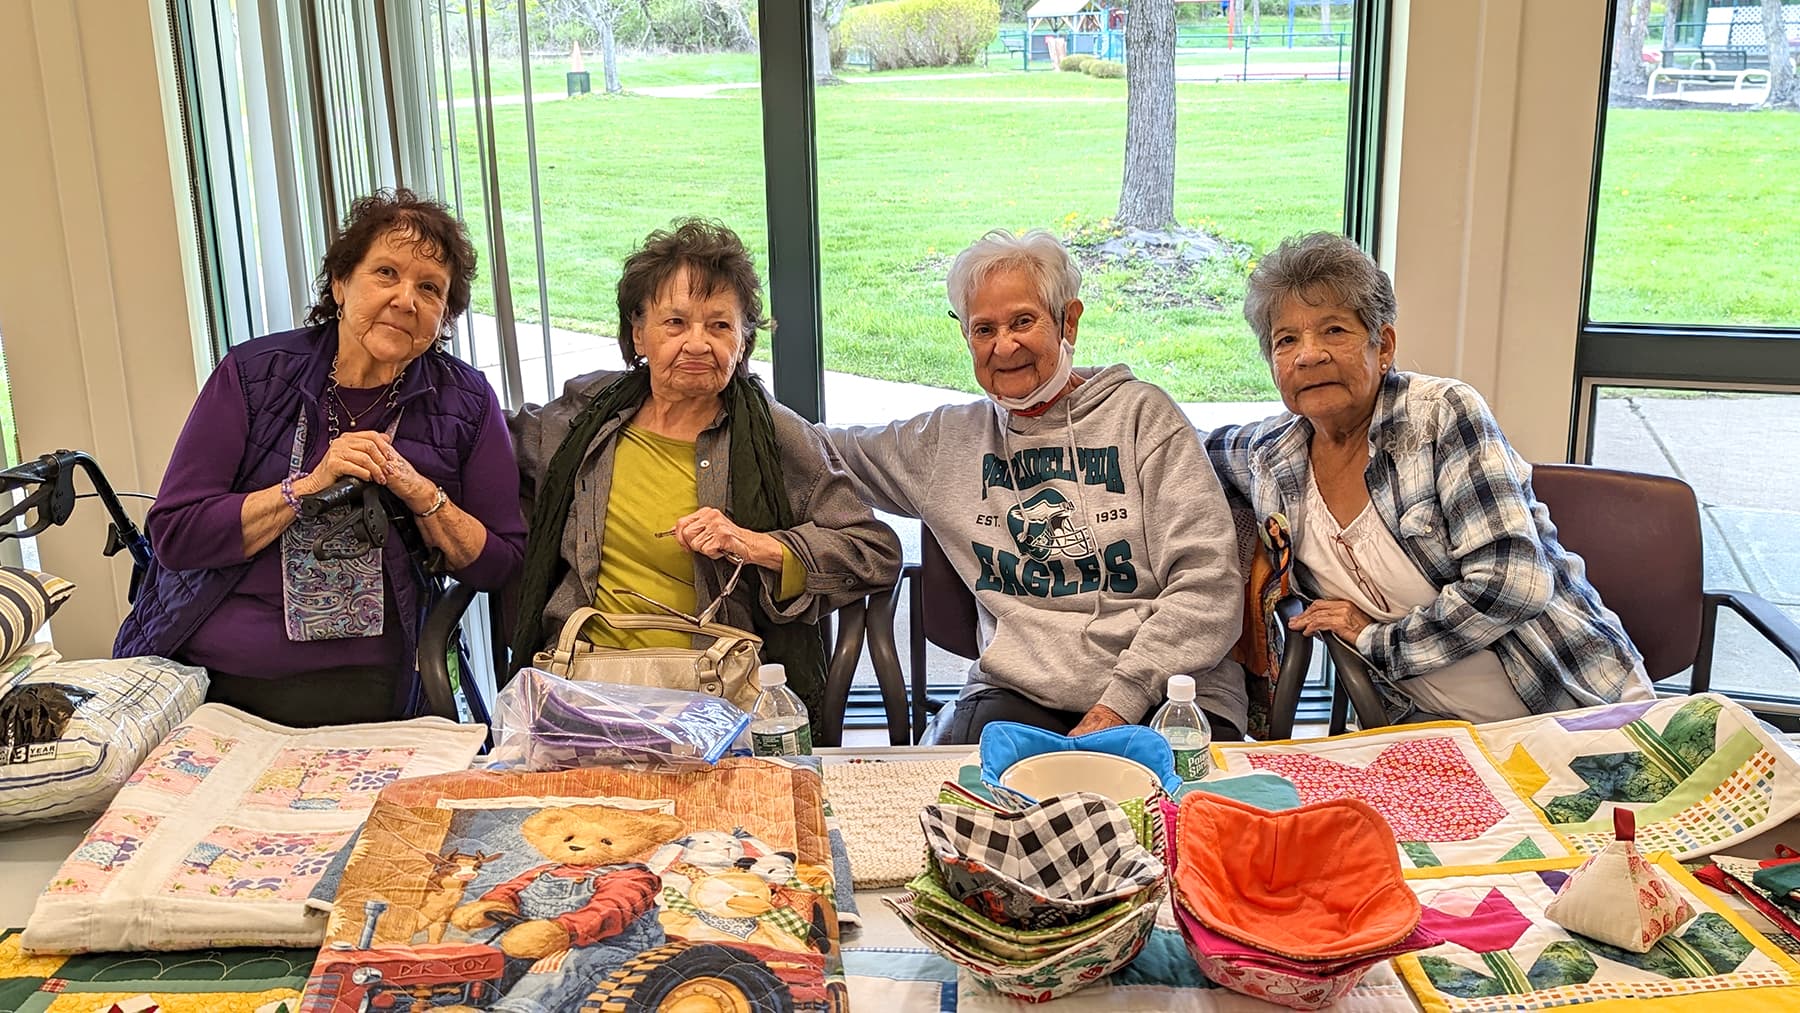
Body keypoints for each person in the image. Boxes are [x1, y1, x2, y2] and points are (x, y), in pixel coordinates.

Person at [115, 188, 527, 725]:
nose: (406, 300)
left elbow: (500, 563)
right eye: (385, 274)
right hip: (218, 679)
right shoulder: (252, 375)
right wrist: (305, 488)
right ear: (339, 284)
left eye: (430, 289)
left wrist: (419, 491)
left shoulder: (466, 402)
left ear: (443, 316)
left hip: (376, 685)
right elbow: (176, 531)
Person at [1206, 231, 1653, 725]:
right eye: (1286, 340)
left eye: (1334, 331)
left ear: (1384, 346)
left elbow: (1513, 583)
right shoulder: (1271, 456)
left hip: (1572, 705)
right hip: (1422, 725)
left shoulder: (1439, 416)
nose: (1309, 355)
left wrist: (1376, 640)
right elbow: (1174, 449)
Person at [825, 228, 1247, 745]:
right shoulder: (946, 441)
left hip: (1171, 691)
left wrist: (1119, 702)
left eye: (1023, 321)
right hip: (1020, 692)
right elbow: (817, 450)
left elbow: (1209, 586)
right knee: (970, 810)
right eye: (984, 330)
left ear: (1069, 320)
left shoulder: (1144, 418)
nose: (1005, 346)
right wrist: (718, 379)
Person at [507, 219, 901, 722]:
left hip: (713, 694)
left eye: (719, 325)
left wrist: (754, 545)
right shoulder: (583, 418)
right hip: (585, 680)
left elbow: (874, 551)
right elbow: (481, 439)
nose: (698, 343)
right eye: (675, 323)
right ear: (638, 333)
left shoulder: (776, 436)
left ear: (742, 343)